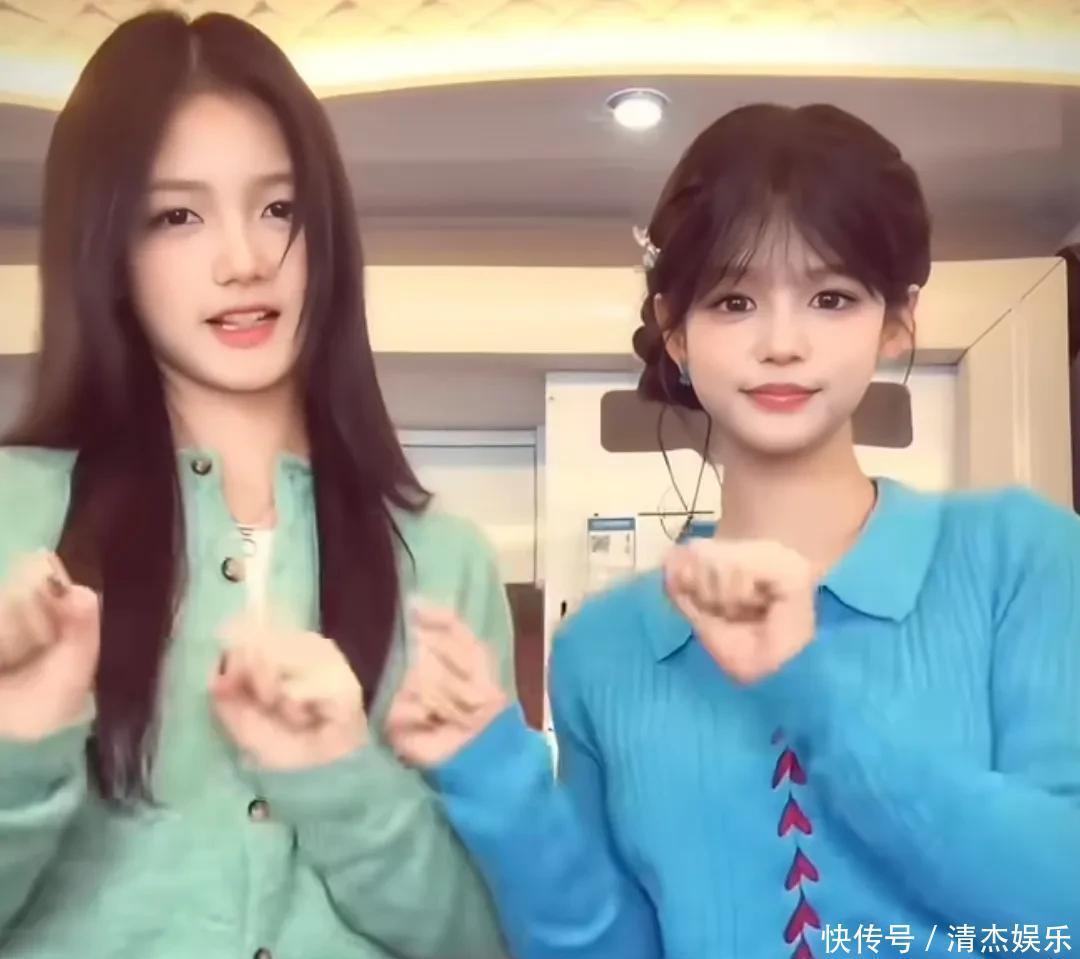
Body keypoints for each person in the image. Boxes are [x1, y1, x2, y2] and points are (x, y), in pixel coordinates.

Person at [385, 104, 1080, 959]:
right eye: (735, 300)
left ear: (898, 319)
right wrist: (495, 776)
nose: (781, 343)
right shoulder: (603, 649)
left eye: (831, 297)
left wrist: (809, 687)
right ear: (675, 330)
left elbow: (1063, 906)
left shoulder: (1024, 561)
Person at [0, 11, 512, 959]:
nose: (243, 260)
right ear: (107, 248)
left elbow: (486, 937)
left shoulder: (444, 561)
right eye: (177, 215)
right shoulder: (15, 518)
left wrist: (343, 778)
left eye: (279, 208)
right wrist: (16, 747)